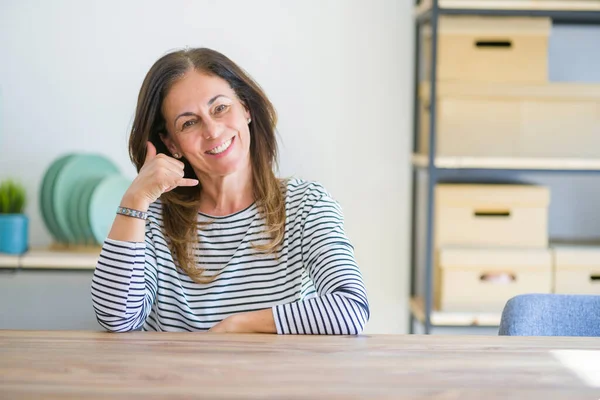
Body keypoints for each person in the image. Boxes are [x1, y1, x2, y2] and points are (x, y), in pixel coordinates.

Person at [91, 48, 369, 334]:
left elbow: (350, 308)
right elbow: (116, 320)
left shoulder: (306, 205)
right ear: (172, 144)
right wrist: (135, 199)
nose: (212, 131)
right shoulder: (150, 219)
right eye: (189, 123)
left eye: (220, 108)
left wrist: (237, 326)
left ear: (245, 108)